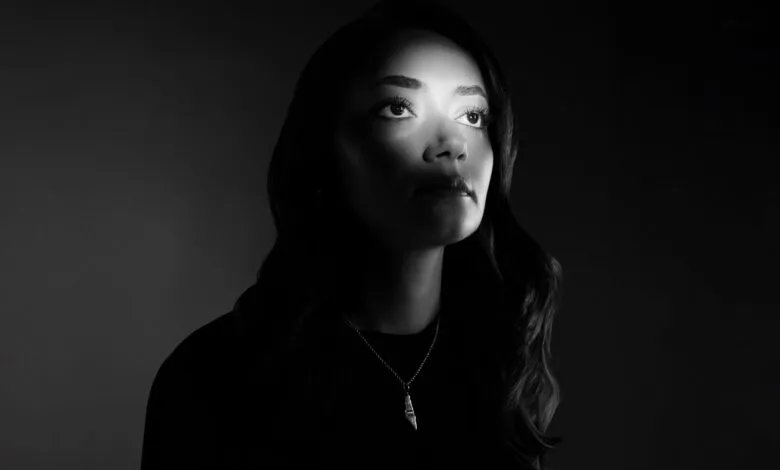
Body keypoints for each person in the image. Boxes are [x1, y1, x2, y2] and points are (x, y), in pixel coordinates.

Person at [140, 0, 564, 468]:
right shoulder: (214, 375)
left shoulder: (498, 366)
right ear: (326, 149)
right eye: (399, 108)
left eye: (473, 116)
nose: (452, 145)